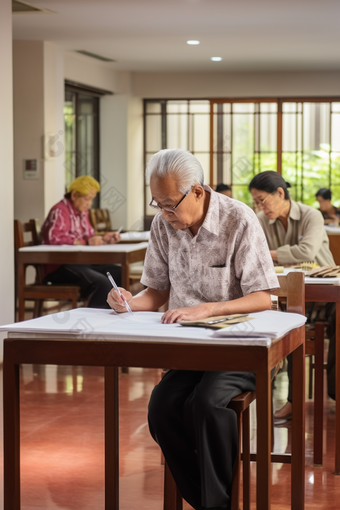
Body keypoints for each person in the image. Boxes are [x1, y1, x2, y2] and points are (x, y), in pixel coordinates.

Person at [107, 149, 279, 510]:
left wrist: (208, 309)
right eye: (158, 204)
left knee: (206, 403)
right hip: (188, 348)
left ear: (198, 191)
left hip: (240, 345)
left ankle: (216, 503)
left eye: (170, 204)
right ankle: (208, 500)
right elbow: (155, 294)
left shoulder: (239, 219)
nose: (165, 214)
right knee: (162, 406)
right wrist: (127, 301)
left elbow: (263, 298)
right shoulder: (163, 226)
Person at [249, 171, 336, 419]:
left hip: (325, 292)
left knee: (339, 320)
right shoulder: (261, 220)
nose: (259, 207)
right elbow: (253, 253)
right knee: (281, 324)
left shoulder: (312, 215)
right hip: (289, 294)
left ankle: (335, 392)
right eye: (255, 202)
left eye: (262, 200)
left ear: (280, 193)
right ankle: (290, 399)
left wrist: (268, 253)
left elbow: (306, 251)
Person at [41, 175, 122, 309]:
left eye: (91, 199)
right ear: (74, 195)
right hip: (59, 266)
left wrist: (103, 239)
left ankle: (112, 314)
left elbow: (88, 237)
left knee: (118, 272)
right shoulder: (60, 211)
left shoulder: (82, 212)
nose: (89, 204)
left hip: (80, 262)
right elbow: (54, 239)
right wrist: (85, 242)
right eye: (87, 199)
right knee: (102, 282)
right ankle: (94, 320)